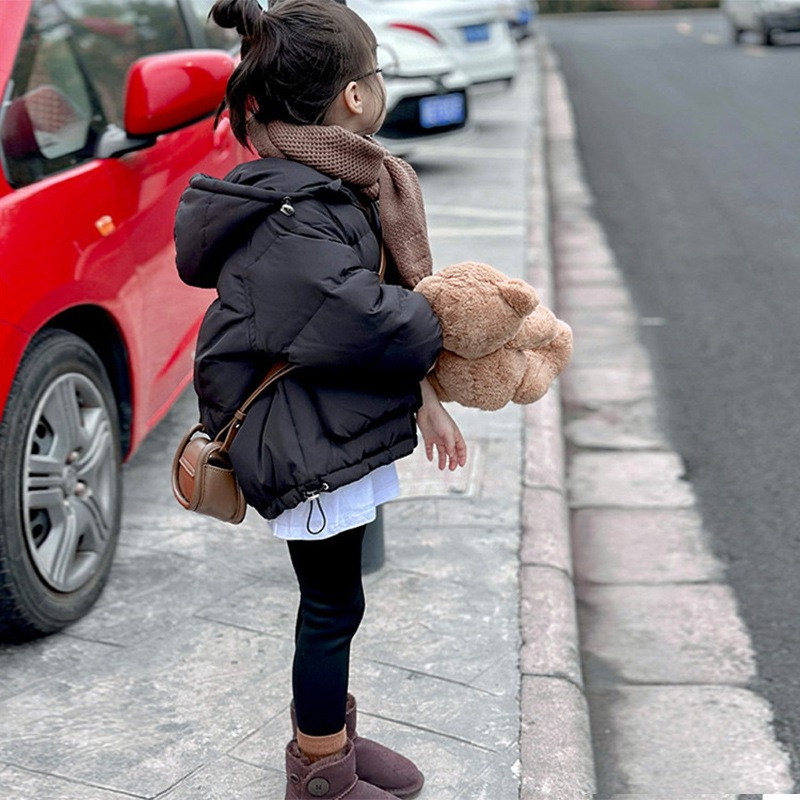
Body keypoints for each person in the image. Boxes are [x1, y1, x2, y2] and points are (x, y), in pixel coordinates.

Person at [174, 1, 467, 797]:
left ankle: (331, 733)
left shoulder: (332, 181)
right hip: (302, 439)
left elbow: (364, 312)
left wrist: (428, 395)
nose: (378, 87)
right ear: (353, 98)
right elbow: (365, 322)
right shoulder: (293, 209)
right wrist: (452, 315)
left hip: (333, 421)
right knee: (331, 607)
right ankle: (320, 769)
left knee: (339, 601)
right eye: (375, 72)